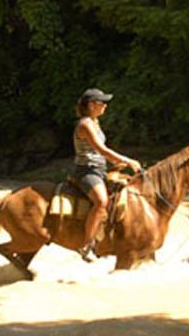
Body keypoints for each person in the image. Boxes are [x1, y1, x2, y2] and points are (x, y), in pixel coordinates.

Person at [73, 88, 142, 262]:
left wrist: (115, 163)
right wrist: (127, 160)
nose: (105, 105)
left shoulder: (94, 122)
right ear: (91, 105)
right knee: (101, 202)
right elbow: (101, 149)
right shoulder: (85, 124)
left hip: (99, 170)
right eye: (101, 102)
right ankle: (86, 245)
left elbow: (98, 152)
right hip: (87, 171)